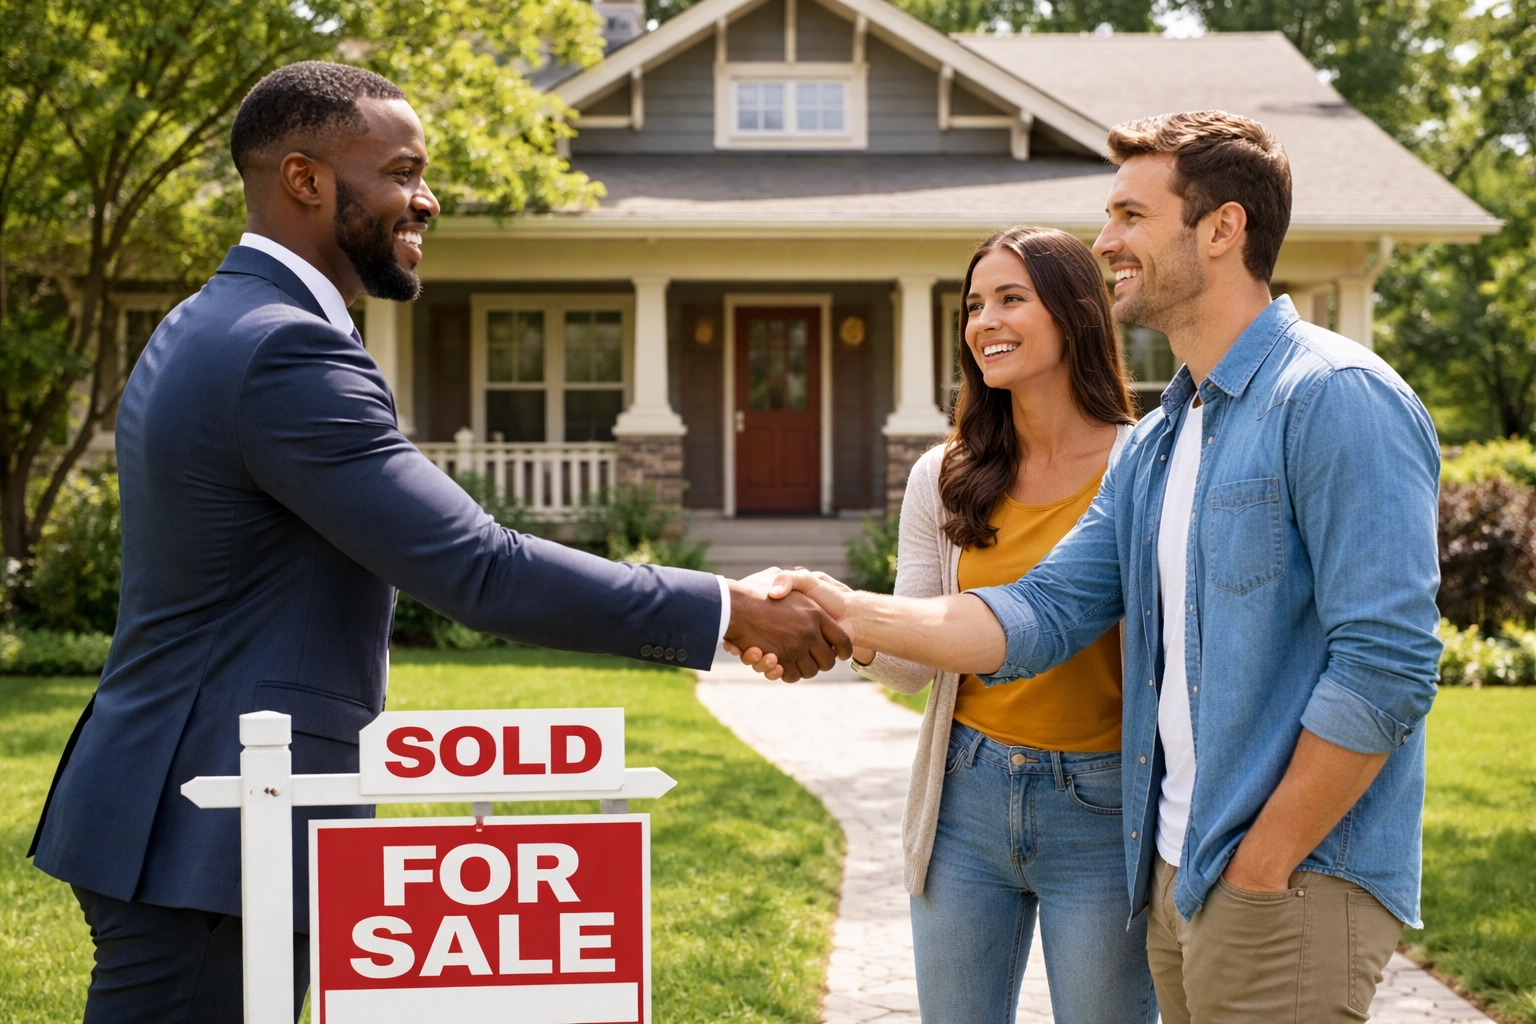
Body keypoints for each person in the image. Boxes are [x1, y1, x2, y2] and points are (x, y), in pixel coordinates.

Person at [28, 61, 847, 1024]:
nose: (428, 197)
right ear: (306, 180)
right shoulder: (281, 348)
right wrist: (726, 609)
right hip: (207, 826)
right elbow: (477, 568)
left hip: (182, 805)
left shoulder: (217, 323)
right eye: (402, 171)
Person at [745, 111, 1442, 1023]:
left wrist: (1265, 860)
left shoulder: (1333, 397)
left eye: (1130, 216)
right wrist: (841, 607)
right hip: (1179, 868)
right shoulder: (1164, 440)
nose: (1105, 241)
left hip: (1286, 874)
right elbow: (1035, 614)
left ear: (1222, 229)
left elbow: (1387, 665)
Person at [848, 226, 1153, 1023]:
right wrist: (836, 624)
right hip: (967, 799)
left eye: (1011, 299)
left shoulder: (1145, 465)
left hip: (1105, 809)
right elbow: (913, 668)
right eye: (974, 305)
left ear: (1076, 313)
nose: (984, 321)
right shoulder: (943, 477)